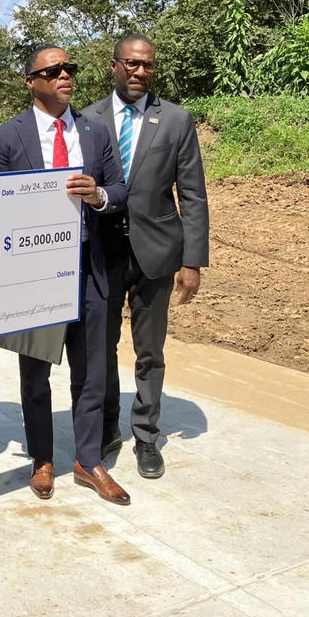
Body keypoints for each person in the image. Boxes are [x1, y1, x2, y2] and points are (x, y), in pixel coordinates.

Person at [0, 46, 130, 505]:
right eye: (54, 70)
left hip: (88, 268)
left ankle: (88, 460)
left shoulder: (94, 131)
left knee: (91, 371)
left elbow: (121, 189)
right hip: (34, 275)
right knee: (35, 372)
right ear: (31, 80)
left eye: (70, 69)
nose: (65, 75)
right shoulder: (7, 138)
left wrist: (100, 195)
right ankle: (42, 458)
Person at [81, 34, 209, 479]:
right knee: (101, 348)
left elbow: (192, 195)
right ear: (114, 65)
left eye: (148, 66)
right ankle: (107, 427)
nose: (139, 72)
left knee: (149, 351)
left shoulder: (175, 120)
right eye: (132, 64)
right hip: (102, 254)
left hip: (157, 252)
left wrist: (192, 261)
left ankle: (147, 435)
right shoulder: (87, 119)